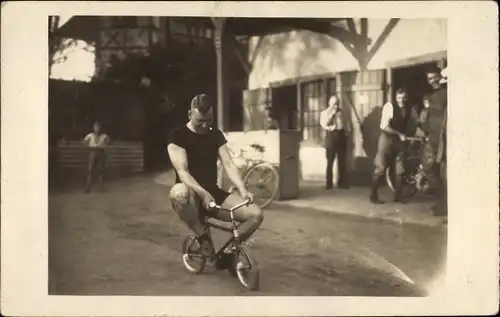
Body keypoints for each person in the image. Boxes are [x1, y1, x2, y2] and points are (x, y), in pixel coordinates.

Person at [167, 94, 264, 261]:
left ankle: (230, 252)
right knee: (178, 192)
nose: (205, 126)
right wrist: (203, 194)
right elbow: (183, 172)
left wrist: (242, 189)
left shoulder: (215, 135)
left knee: (256, 214)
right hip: (191, 194)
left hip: (214, 192)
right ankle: (202, 236)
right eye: (200, 122)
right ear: (190, 115)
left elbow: (228, 164)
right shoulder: (178, 135)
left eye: (209, 121)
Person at [370, 88, 421, 204]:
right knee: (381, 168)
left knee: (400, 169)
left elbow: (416, 123)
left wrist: (422, 134)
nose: (401, 101)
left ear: (406, 98)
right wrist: (399, 134)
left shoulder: (410, 109)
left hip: (400, 142)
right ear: (395, 97)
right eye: (399, 98)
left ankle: (398, 196)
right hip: (387, 140)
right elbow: (384, 126)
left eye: (403, 98)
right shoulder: (389, 107)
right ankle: (373, 195)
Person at [420, 65, 447, 216]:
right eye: (429, 79)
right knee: (428, 167)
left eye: (434, 77)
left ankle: (444, 204)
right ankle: (441, 200)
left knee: (444, 172)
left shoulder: (448, 93)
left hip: (444, 138)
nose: (432, 81)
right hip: (432, 138)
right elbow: (428, 117)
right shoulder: (431, 96)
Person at [320, 95, 351, 190]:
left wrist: (347, 133)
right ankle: (329, 183)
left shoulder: (342, 112)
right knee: (330, 162)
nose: (335, 106)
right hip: (331, 135)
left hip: (341, 135)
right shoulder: (324, 113)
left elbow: (347, 123)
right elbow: (324, 124)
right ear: (329, 104)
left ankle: (342, 182)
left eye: (337, 103)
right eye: (334, 104)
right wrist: (332, 114)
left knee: (342, 161)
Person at [83, 121, 111, 193]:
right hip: (93, 152)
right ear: (93, 128)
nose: (97, 129)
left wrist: (105, 145)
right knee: (90, 170)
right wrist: (88, 146)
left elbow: (109, 141)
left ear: (100, 128)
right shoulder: (90, 135)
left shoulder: (104, 136)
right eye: (95, 127)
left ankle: (101, 188)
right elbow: (84, 142)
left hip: (100, 152)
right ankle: (88, 187)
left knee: (100, 171)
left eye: (98, 127)